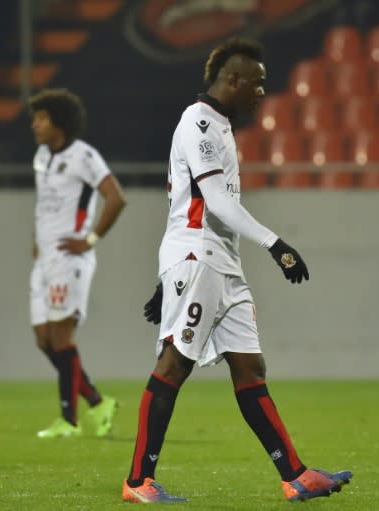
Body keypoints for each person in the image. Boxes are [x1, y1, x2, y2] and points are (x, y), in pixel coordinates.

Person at [121, 38, 352, 504]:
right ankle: (137, 482)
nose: (263, 92)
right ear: (233, 80)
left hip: (220, 263)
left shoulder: (220, 126)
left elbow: (200, 203)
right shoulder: (199, 122)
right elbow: (218, 203)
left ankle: (295, 476)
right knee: (174, 365)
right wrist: (276, 244)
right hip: (199, 257)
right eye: (258, 83)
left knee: (250, 367)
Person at [28, 88, 126, 438]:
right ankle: (98, 402)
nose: (35, 124)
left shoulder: (85, 156)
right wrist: (37, 240)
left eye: (41, 118)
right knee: (43, 340)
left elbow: (116, 197)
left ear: (59, 122)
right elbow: (46, 205)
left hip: (71, 258)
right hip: (44, 258)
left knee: (60, 335)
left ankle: (69, 421)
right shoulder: (42, 156)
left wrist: (89, 239)